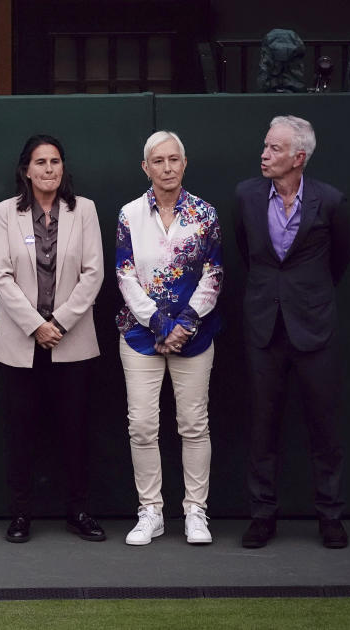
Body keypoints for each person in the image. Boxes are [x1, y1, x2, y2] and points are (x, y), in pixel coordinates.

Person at [233, 115, 350, 549]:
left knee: (324, 426)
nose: (264, 154)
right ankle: (262, 516)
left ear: (298, 157)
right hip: (264, 327)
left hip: (315, 328)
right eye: (265, 146)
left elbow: (340, 259)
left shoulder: (331, 201)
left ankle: (331, 516)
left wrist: (307, 298)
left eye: (275, 149)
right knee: (263, 426)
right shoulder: (246, 196)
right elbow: (248, 252)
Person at [0, 135, 106, 543]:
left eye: (55, 161)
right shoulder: (5, 213)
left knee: (75, 431)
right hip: (20, 344)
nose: (49, 169)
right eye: (40, 162)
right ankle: (21, 514)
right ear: (26, 170)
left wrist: (58, 321)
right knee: (21, 433)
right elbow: (0, 276)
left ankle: (78, 511)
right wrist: (35, 325)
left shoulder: (84, 210)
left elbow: (94, 274)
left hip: (72, 341)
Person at [115, 131, 223, 546]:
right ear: (146, 167)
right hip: (141, 335)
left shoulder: (205, 214)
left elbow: (214, 274)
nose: (167, 168)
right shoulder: (128, 214)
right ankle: (151, 511)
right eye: (158, 161)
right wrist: (160, 324)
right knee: (142, 425)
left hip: (194, 336)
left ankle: (196, 511)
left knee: (194, 424)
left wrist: (184, 325)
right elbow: (124, 274)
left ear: (184, 163)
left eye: (173, 159)